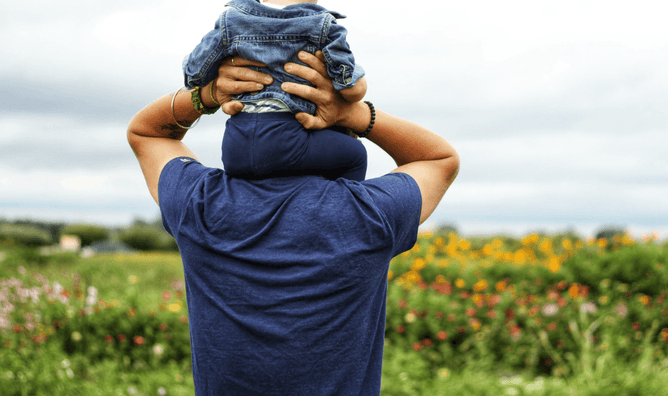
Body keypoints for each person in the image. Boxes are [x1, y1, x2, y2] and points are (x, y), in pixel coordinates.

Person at [127, 51, 459, 395]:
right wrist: (356, 113)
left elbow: (148, 133)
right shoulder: (369, 214)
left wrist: (207, 95)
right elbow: (438, 159)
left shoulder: (202, 204)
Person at [182, 0, 368, 180]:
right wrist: (358, 86)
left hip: (236, 145)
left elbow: (194, 74)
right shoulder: (323, 26)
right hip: (290, 140)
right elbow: (350, 88)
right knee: (355, 155)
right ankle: (342, 212)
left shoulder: (231, 20)